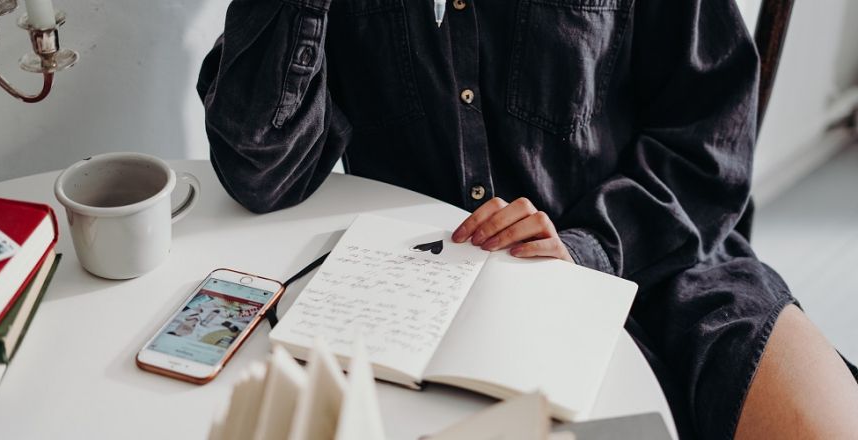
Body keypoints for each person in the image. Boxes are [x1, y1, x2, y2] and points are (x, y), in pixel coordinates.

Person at [197, 0, 858, 438]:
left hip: (667, 265)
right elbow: (263, 172)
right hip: (436, 307)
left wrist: (587, 248)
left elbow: (711, 140)